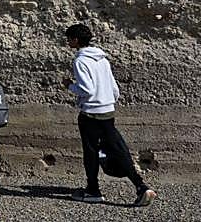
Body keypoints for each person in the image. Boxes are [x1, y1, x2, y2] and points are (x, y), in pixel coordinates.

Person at [64, 24, 157, 206]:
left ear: (75, 40)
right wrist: (107, 101)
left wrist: (69, 85)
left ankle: (93, 190)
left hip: (91, 114)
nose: (68, 42)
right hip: (108, 112)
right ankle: (141, 186)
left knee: (90, 152)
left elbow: (86, 89)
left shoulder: (80, 61)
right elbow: (115, 89)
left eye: (69, 38)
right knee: (119, 150)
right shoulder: (102, 59)